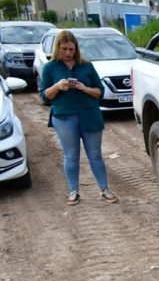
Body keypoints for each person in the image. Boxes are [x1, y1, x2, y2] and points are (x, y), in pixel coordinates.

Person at [40, 30, 118, 205]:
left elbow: (100, 92)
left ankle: (104, 189)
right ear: (57, 48)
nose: (69, 53)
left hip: (89, 115)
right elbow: (44, 96)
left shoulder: (86, 66)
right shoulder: (50, 67)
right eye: (65, 49)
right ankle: (73, 190)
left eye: (72, 49)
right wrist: (58, 86)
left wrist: (84, 88)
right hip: (64, 118)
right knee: (71, 156)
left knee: (95, 155)